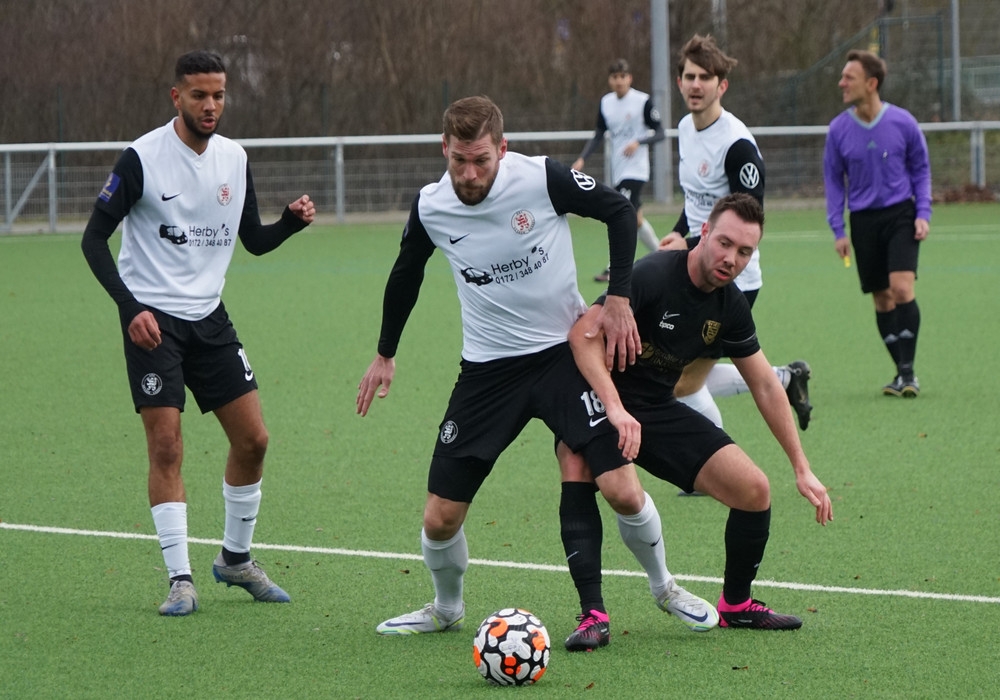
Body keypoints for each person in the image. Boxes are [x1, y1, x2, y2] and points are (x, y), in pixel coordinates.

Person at [357, 95, 714, 640]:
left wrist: (619, 297)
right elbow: (406, 273)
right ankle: (446, 607)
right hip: (488, 370)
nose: (469, 174)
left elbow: (619, 211)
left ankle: (664, 587)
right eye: (458, 160)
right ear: (444, 148)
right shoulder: (431, 206)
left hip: (563, 359)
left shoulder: (541, 178)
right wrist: (385, 352)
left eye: (481, 160)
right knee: (439, 517)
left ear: (502, 149)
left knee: (621, 488)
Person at [81, 50, 316, 616]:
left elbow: (252, 241)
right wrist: (129, 308)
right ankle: (180, 580)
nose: (211, 106)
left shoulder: (235, 158)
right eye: (199, 95)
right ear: (177, 97)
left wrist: (288, 223)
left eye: (219, 95)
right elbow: (93, 240)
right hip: (152, 323)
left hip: (210, 319)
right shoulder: (141, 158)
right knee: (167, 446)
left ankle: (235, 559)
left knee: (254, 440)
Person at [559, 193, 833, 651]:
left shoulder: (730, 306)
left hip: (655, 407)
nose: (731, 259)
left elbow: (766, 386)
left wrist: (801, 468)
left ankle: (736, 605)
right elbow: (581, 338)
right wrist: (615, 408)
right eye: (725, 243)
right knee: (618, 489)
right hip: (597, 396)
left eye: (744, 251)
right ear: (703, 233)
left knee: (754, 491)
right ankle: (594, 615)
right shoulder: (653, 275)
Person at [658, 34, 812, 445]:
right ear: (679, 81)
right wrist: (679, 231)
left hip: (732, 279)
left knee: (683, 381)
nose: (696, 84)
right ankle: (785, 378)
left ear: (721, 85)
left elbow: (749, 222)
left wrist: (691, 244)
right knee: (681, 374)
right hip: (696, 266)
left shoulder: (736, 145)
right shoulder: (685, 128)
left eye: (705, 77)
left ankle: (716, 458)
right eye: (689, 76)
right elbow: (697, 199)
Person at [823, 49, 931, 397]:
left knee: (901, 289)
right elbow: (834, 181)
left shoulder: (903, 122)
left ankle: (908, 373)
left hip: (900, 215)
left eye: (849, 78)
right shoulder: (838, 130)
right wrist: (838, 229)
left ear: (871, 83)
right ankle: (901, 372)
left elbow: (921, 169)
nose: (841, 83)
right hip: (863, 222)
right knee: (882, 299)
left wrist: (923, 213)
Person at [572, 58, 665, 283]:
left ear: (629, 78)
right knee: (636, 218)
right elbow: (598, 135)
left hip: (636, 170)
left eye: (623, 76)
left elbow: (660, 133)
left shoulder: (642, 101)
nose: (619, 81)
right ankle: (663, 256)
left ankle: (615, 267)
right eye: (615, 77)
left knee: (621, 213)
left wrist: (639, 142)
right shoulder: (606, 103)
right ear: (610, 80)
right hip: (619, 169)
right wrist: (582, 158)